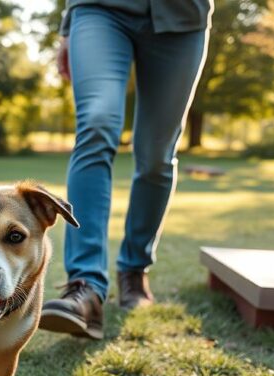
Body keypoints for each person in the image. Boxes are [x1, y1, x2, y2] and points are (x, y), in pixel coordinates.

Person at [38, 0, 212, 340]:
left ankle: (134, 269)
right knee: (97, 124)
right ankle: (86, 286)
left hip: (182, 17)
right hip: (99, 8)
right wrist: (67, 28)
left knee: (156, 156)